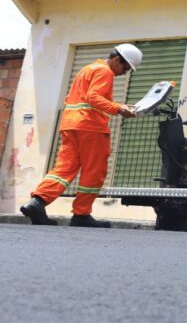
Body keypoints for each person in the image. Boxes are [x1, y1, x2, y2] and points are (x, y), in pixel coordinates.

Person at [20, 44, 141, 227]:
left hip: (71, 125)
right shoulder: (105, 71)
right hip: (90, 128)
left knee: (64, 168)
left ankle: (37, 202)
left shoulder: (88, 68)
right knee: (94, 171)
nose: (125, 72)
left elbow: (80, 98)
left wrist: (119, 105)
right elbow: (94, 97)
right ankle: (81, 215)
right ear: (117, 60)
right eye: (125, 67)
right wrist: (118, 108)